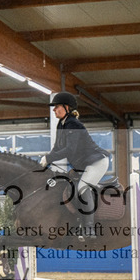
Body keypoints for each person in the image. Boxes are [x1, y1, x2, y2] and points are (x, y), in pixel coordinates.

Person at [40, 91, 109, 240]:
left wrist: (49, 158)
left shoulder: (73, 124)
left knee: (82, 188)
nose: (54, 109)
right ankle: (78, 223)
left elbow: (70, 150)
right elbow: (57, 148)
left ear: (67, 107)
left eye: (57, 106)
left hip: (97, 162)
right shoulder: (61, 125)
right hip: (84, 164)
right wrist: (45, 163)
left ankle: (89, 229)